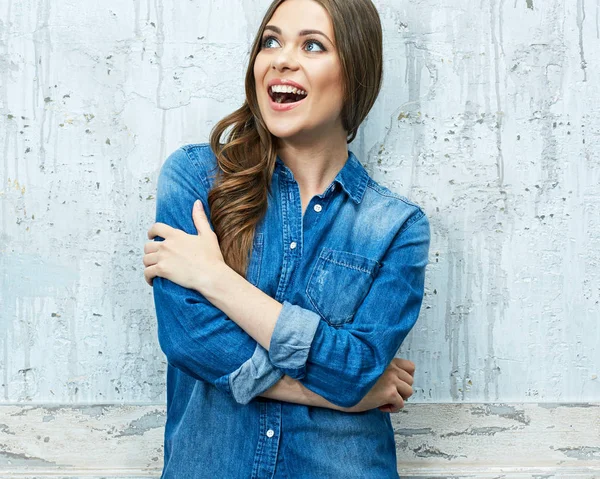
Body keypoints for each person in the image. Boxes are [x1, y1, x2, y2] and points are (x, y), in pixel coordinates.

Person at [142, 0, 431, 477]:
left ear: (355, 71)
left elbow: (358, 367)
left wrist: (216, 279)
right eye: (271, 41)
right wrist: (345, 392)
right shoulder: (195, 179)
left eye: (312, 45)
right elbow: (190, 340)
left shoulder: (397, 227)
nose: (280, 58)